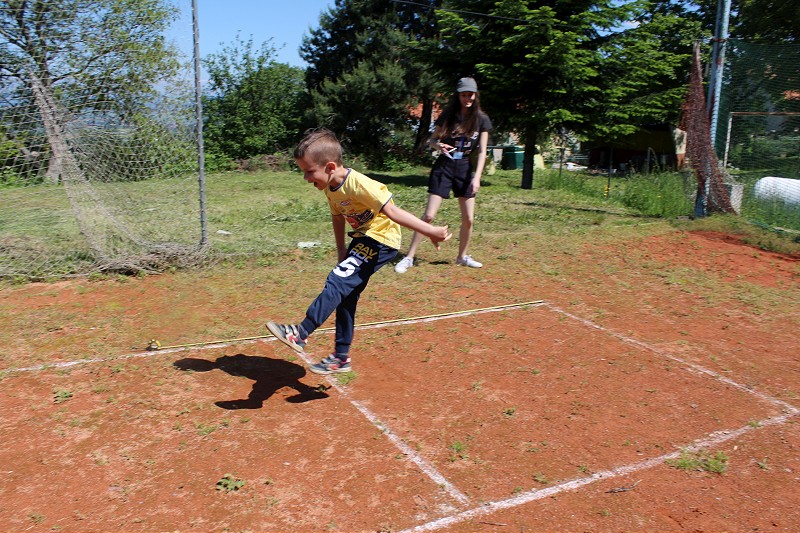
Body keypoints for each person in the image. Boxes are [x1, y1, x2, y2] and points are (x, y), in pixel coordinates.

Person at [266, 128, 452, 375]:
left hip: (382, 240)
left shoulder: (361, 184)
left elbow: (393, 212)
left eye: (309, 171)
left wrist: (431, 231)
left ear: (330, 167)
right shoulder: (330, 187)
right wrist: (341, 249)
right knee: (346, 295)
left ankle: (300, 333)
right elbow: (337, 217)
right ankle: (341, 358)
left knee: (338, 280)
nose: (306, 178)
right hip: (363, 239)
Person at [394, 77, 492, 274]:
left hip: (465, 167)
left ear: (475, 95)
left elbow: (482, 151)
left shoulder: (481, 119)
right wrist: (438, 145)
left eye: (470, 95)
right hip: (444, 166)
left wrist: (477, 177)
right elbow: (431, 140)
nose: (467, 99)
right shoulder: (448, 115)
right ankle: (409, 257)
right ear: (458, 96)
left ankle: (462, 257)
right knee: (429, 215)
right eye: (464, 95)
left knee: (469, 218)